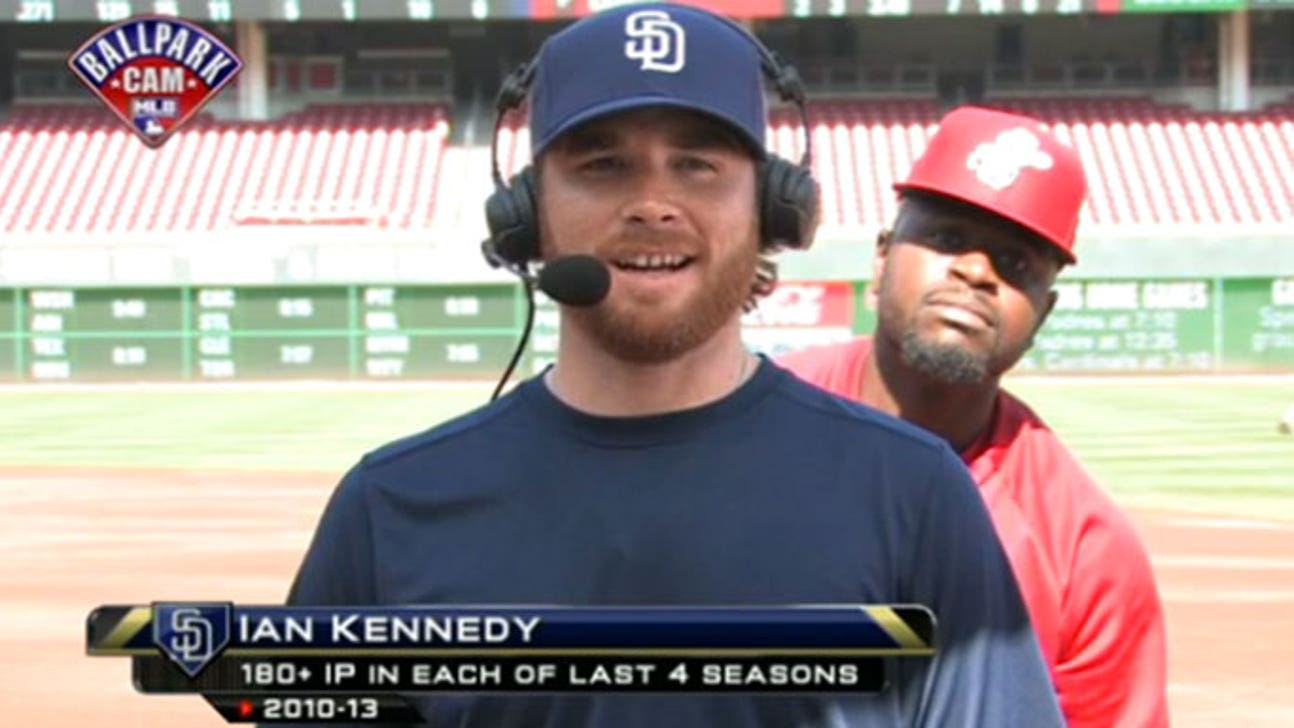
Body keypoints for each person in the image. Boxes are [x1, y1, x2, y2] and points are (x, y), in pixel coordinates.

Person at [284, 5, 1064, 726]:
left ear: (771, 208)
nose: (653, 204)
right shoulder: (389, 510)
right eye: (603, 165)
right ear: (527, 215)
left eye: (697, 164)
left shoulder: (915, 497)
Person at [779, 106, 1169, 727]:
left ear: (1042, 315)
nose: (976, 272)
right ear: (881, 259)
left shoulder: (1086, 550)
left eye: (1016, 265)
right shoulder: (749, 420)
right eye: (947, 239)